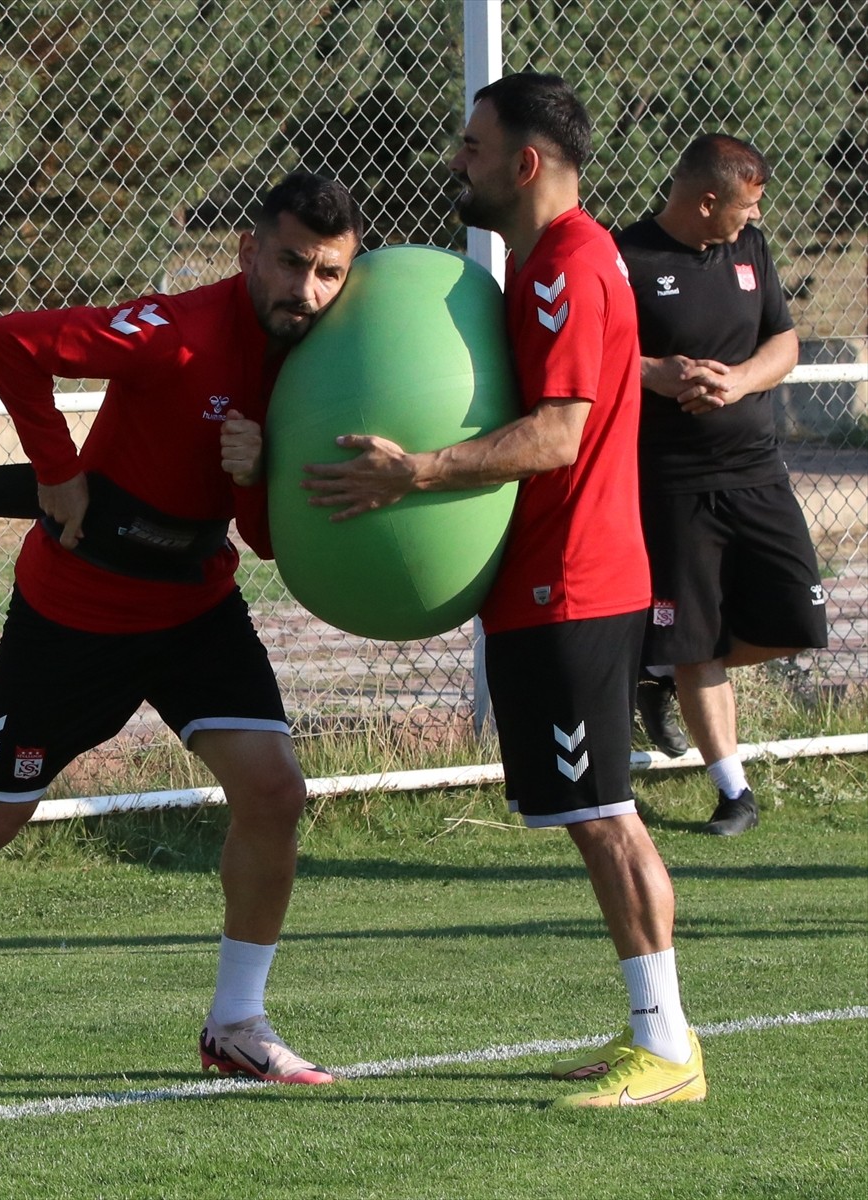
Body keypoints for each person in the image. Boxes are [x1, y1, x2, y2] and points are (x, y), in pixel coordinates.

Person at [0, 172, 364, 1089]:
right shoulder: (174, 332)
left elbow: (265, 541)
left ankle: (235, 1023)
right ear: (251, 252)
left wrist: (255, 471)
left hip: (197, 606)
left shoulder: (325, 361)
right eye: (290, 264)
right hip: (75, 610)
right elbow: (9, 340)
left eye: (329, 273)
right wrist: (57, 469)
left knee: (275, 792)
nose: (307, 292)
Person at [301, 72, 705, 1107]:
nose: (458, 162)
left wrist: (418, 471)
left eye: (474, 148)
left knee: (606, 815)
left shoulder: (566, 264)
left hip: (574, 586)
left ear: (525, 163)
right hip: (546, 587)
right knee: (589, 814)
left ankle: (665, 1048)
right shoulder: (545, 265)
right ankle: (656, 1037)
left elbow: (560, 433)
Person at [616, 135, 828, 836]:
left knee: (799, 617)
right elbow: (593, 351)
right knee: (697, 645)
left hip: (757, 471)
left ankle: (664, 672)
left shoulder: (750, 251)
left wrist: (737, 381)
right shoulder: (627, 257)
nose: (751, 220)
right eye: (744, 208)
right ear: (708, 202)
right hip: (672, 483)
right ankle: (734, 793)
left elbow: (785, 343)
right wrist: (656, 374)